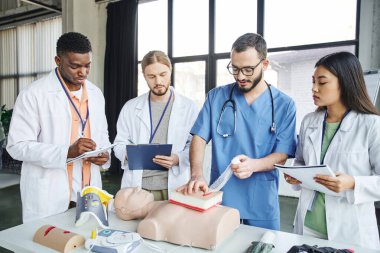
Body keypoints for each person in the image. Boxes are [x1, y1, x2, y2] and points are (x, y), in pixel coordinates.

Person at [178, 33, 297, 230]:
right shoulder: (216, 97)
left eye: (248, 70)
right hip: (221, 198)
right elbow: (199, 137)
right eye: (235, 69)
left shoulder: (284, 105)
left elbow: (282, 154)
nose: (240, 76)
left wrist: (254, 165)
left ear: (265, 64)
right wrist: (196, 174)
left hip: (261, 202)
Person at [6, 32, 111, 223]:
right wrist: (67, 152)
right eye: (75, 66)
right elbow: (16, 146)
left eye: (87, 65)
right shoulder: (34, 94)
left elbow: (102, 135)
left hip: (88, 191)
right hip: (50, 194)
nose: (83, 72)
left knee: (86, 243)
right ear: (58, 60)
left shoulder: (96, 94)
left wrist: (104, 156)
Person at [285, 52, 380, 249]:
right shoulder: (309, 121)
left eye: (322, 82)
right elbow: (301, 161)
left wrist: (353, 183)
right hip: (308, 225)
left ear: (345, 83)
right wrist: (295, 174)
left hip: (349, 230)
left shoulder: (371, 125)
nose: (314, 88)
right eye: (313, 81)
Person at [113, 50, 199, 200]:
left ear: (170, 71)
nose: (158, 81)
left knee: (171, 223)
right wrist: (129, 154)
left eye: (163, 74)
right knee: (137, 224)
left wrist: (178, 158)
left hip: (174, 185)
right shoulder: (131, 107)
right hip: (139, 187)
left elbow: (195, 145)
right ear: (144, 76)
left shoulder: (189, 107)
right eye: (151, 76)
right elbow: (119, 143)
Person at [113, 187, 240, 250]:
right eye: (129, 193)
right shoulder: (149, 225)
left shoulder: (163, 204)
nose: (137, 188)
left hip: (225, 220)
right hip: (218, 230)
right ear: (124, 211)